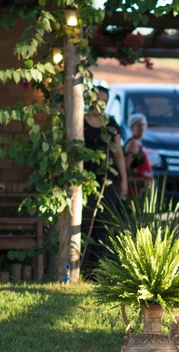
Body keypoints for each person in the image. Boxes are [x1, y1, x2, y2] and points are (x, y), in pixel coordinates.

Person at [81, 85, 128, 274]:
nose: (99, 104)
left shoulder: (111, 123)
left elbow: (118, 154)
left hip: (107, 180)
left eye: (103, 101)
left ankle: (99, 268)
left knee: (104, 222)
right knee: (85, 221)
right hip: (85, 180)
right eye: (96, 99)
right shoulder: (80, 121)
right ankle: (82, 266)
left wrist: (124, 179)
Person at [124, 113, 153, 195]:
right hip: (135, 190)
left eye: (144, 125)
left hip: (143, 188)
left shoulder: (139, 143)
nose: (142, 128)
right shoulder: (133, 144)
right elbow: (126, 166)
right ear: (132, 127)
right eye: (139, 125)